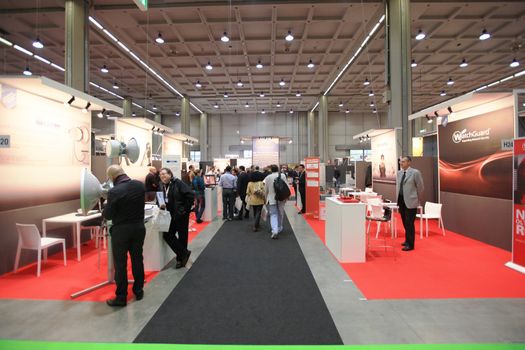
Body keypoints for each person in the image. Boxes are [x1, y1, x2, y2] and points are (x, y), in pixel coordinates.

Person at [102, 165, 146, 307]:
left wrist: (105, 205)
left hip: (121, 231)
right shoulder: (139, 185)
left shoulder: (114, 191)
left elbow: (108, 215)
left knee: (120, 264)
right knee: (137, 259)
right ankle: (138, 290)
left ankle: (121, 297)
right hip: (139, 228)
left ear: (113, 177)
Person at [159, 167, 194, 268]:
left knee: (182, 237)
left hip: (180, 215)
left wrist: (185, 210)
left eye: (164, 174)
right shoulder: (162, 185)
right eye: (161, 174)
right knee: (167, 235)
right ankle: (184, 253)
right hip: (169, 214)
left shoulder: (178, 183)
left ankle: (180, 259)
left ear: (170, 174)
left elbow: (190, 195)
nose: (162, 176)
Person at [397, 156, 424, 252]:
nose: (401, 163)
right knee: (405, 222)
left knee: (409, 223)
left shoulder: (415, 173)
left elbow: (420, 187)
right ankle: (407, 240)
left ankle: (410, 244)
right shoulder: (399, 173)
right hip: (401, 201)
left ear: (409, 162)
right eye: (400, 161)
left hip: (411, 201)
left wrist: (416, 198)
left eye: (403, 161)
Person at [264, 164, 287, 239]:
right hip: (281, 198)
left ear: (271, 170)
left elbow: (265, 190)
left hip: (271, 199)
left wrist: (265, 198)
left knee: (273, 214)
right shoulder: (283, 175)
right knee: (280, 213)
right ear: (278, 169)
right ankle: (279, 227)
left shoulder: (268, 177)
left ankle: (275, 231)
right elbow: (286, 186)